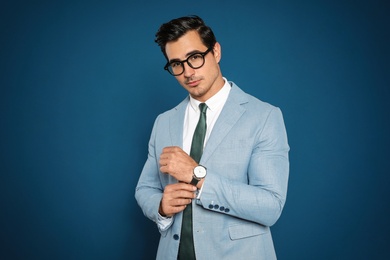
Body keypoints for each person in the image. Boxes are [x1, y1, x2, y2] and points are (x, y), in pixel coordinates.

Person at [135, 15, 289, 260]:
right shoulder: (164, 122)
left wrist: (199, 177)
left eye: (195, 57)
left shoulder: (264, 116)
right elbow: (145, 188)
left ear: (215, 51)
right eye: (176, 64)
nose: (187, 72)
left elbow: (270, 206)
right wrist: (161, 207)